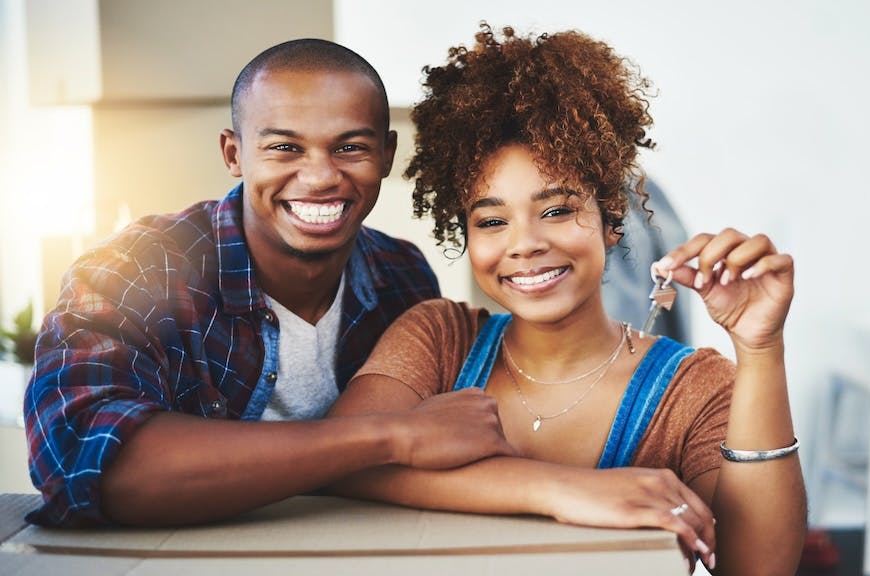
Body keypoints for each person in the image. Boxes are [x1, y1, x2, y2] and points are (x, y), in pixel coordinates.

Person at [327, 25, 807, 575]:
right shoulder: (439, 339)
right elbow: (341, 459)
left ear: (611, 221)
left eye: (556, 210)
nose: (525, 243)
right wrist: (563, 490)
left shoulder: (693, 390)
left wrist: (761, 348)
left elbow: (757, 568)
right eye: (491, 220)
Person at [23, 38, 513, 528]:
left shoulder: (402, 274)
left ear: (386, 155)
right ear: (233, 153)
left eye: (350, 147)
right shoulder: (135, 268)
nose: (320, 176)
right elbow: (89, 465)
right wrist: (391, 435)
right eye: (284, 147)